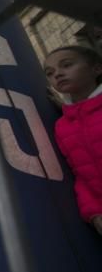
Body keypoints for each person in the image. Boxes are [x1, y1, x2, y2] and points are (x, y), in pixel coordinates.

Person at [43, 45, 102, 236]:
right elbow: (80, 175)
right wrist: (93, 212)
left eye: (67, 65)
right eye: (50, 73)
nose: (58, 74)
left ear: (97, 68)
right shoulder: (62, 126)